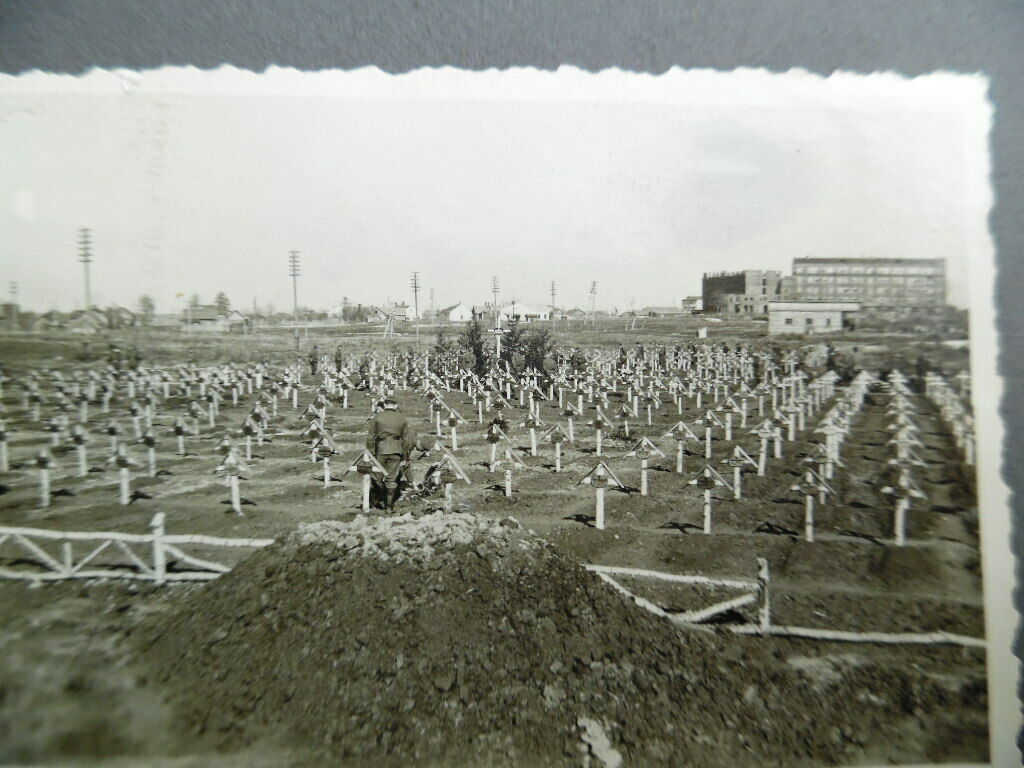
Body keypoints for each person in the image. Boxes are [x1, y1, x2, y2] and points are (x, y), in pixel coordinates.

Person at [366, 395, 414, 510]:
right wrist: (406, 456)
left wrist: (370, 452)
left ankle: (378, 499)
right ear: (396, 405)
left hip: (381, 449)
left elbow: (370, 437)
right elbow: (406, 440)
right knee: (391, 479)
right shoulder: (402, 419)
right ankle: (389, 507)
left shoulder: (376, 418)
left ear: (385, 405)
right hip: (396, 450)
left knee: (377, 476)